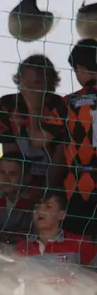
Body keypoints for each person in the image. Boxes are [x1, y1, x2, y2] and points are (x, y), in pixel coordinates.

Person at [0, 54, 66, 188]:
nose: (31, 88)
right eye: (26, 81)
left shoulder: (58, 105)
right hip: (20, 180)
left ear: (49, 84)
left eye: (37, 83)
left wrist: (34, 109)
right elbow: (9, 150)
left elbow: (57, 154)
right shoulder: (7, 104)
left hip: (54, 180)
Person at [51, 39, 97, 239]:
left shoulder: (66, 103)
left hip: (79, 190)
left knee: (78, 252)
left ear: (80, 68)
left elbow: (39, 139)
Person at [0, 152, 40, 253]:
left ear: (26, 179)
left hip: (29, 256)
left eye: (12, 174)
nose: (5, 179)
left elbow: (41, 239)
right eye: (2, 172)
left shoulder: (36, 196)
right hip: (0, 252)